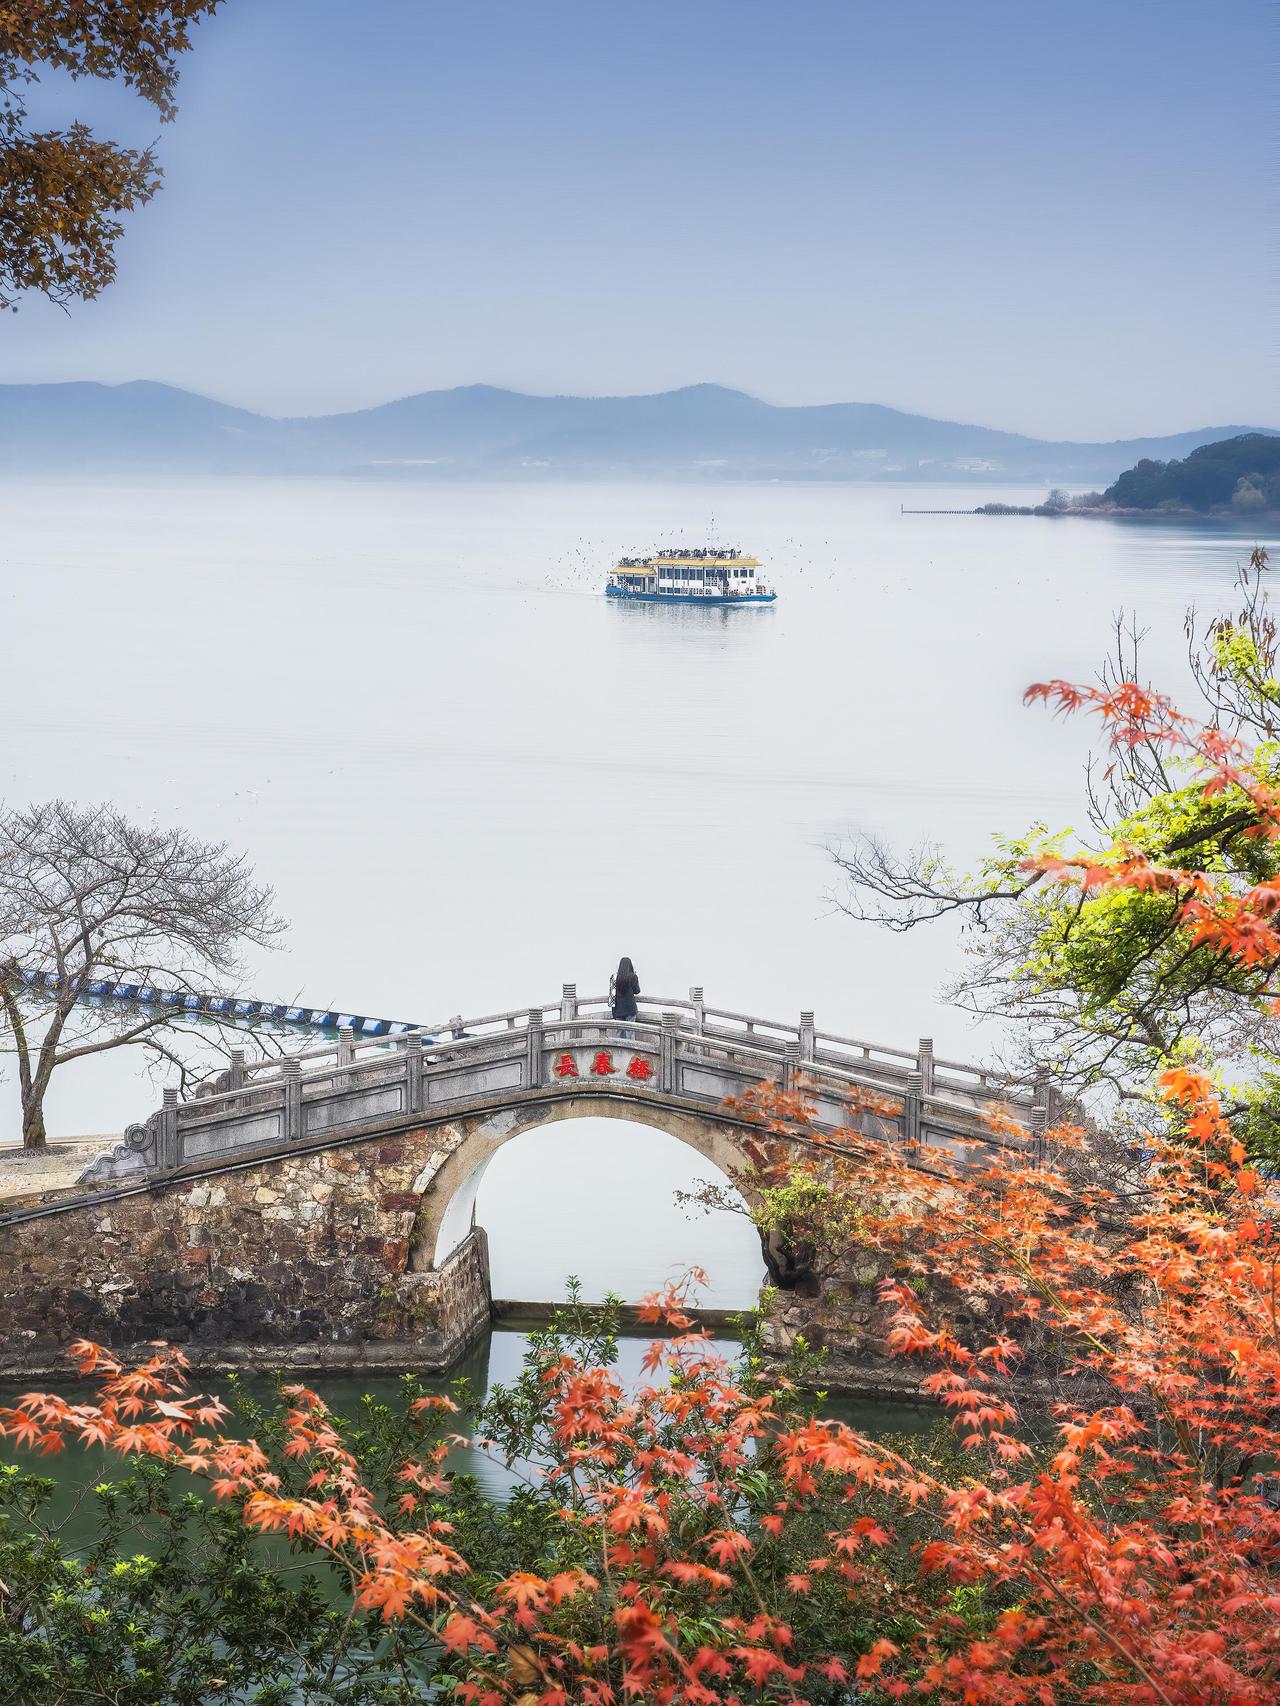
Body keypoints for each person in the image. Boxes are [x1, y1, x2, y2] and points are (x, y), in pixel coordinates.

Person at [610, 956, 640, 1040]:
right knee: (630, 1033)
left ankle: (620, 1052)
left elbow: (612, 995)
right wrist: (635, 975)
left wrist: (613, 1011)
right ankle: (631, 1052)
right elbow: (637, 991)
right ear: (630, 965)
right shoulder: (633, 976)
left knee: (619, 1034)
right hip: (630, 1009)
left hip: (618, 1009)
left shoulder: (614, 977)